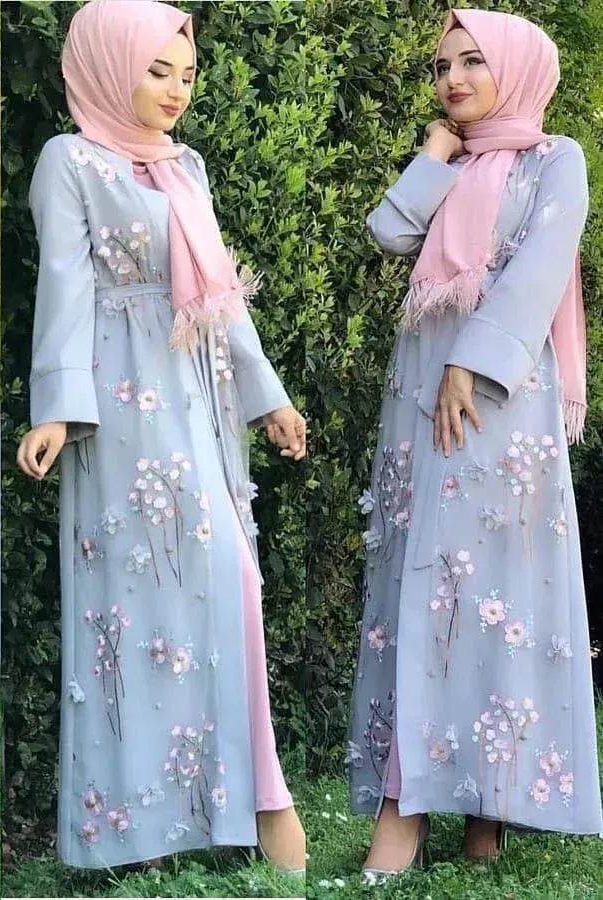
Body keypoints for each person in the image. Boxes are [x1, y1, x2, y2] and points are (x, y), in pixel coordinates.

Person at [16, 0, 308, 873]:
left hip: (200, 394)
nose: (177, 90)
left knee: (229, 582)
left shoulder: (186, 166)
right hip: (122, 405)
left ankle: (252, 798)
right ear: (110, 66)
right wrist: (56, 408)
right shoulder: (70, 160)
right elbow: (65, 289)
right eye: (157, 70)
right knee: (136, 603)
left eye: (186, 74)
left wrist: (266, 395)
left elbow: (217, 294)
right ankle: (136, 829)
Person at [347, 8, 603, 880]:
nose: (452, 78)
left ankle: (482, 804)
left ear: (519, 70)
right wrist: (433, 156)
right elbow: (390, 233)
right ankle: (415, 801)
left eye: (472, 62)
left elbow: (540, 268)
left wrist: (473, 362)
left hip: (501, 395)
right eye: (441, 66)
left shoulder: (555, 159)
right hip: (422, 388)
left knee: (491, 589)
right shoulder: (452, 164)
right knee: (423, 574)